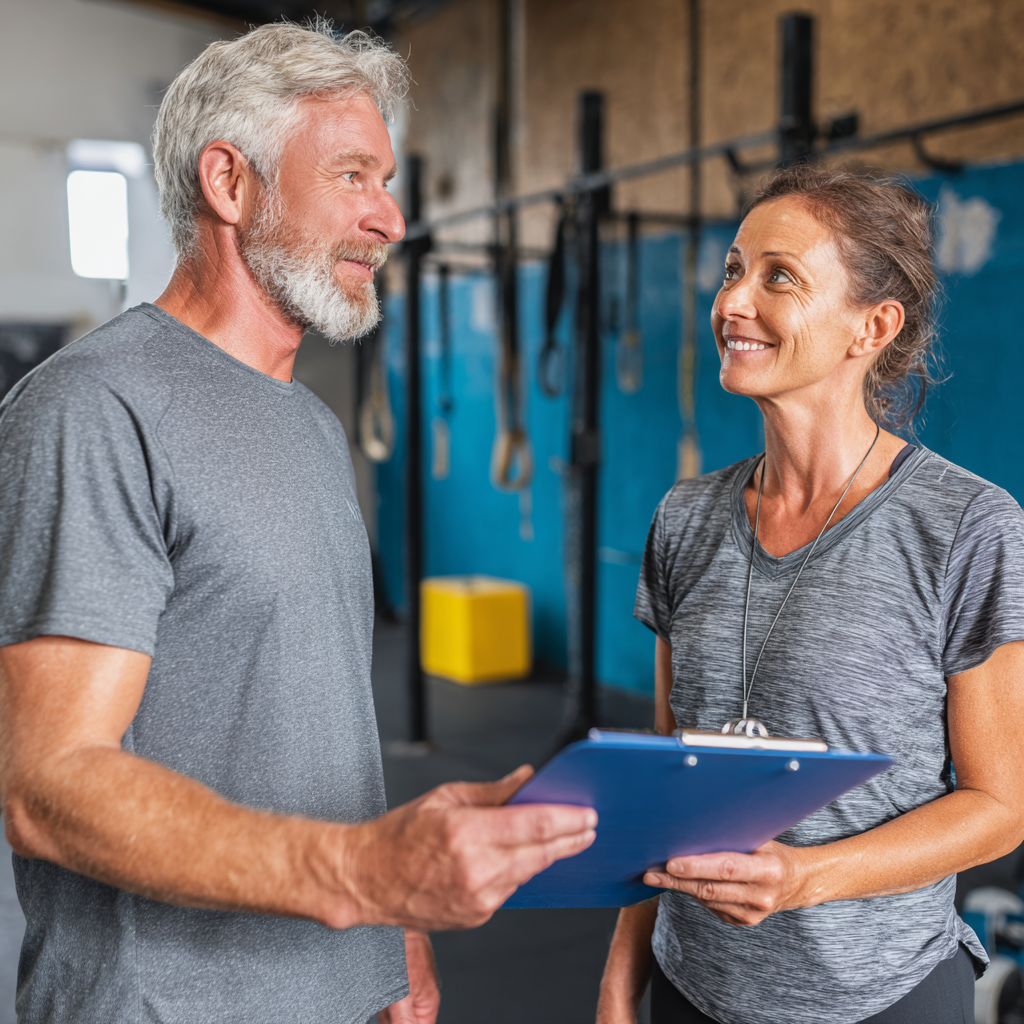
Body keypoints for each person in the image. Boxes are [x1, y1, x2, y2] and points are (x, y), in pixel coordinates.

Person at [0, 23, 597, 1024]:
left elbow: (323, 721)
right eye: (355, 176)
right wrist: (366, 874)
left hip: (340, 988)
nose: (391, 217)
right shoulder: (94, 409)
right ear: (231, 185)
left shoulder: (312, 425)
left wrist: (393, 931)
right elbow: (48, 784)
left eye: (388, 180)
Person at [596, 166, 1024, 1024]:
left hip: (877, 996)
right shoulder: (686, 518)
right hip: (695, 986)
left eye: (778, 276)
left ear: (873, 326)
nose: (732, 302)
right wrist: (620, 981)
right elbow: (666, 786)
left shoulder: (967, 525)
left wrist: (804, 878)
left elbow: (999, 808)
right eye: (731, 270)